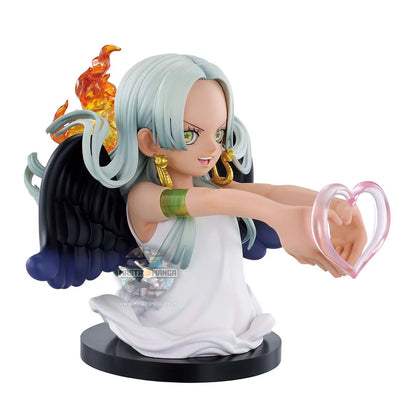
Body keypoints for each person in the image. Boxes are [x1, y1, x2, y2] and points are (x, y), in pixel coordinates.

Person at [28, 53, 367, 358]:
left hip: (234, 324)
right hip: (173, 330)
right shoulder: (144, 198)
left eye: (218, 134)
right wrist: (279, 217)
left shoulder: (212, 184)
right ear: (149, 141)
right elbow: (207, 202)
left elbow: (270, 191)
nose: (211, 148)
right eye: (190, 134)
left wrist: (332, 205)